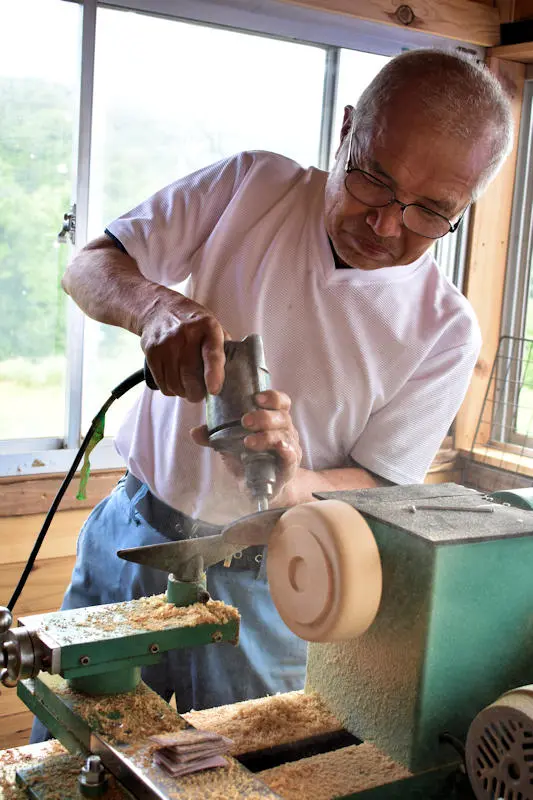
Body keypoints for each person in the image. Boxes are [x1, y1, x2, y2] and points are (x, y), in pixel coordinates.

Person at [32, 48, 513, 738]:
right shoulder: (250, 186)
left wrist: (296, 481)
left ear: (464, 204)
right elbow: (91, 265)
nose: (385, 224)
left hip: (274, 578)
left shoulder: (443, 331)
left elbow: (380, 483)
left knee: (242, 773)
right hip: (133, 536)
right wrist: (156, 310)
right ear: (346, 130)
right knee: (67, 752)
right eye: (373, 180)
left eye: (430, 212)